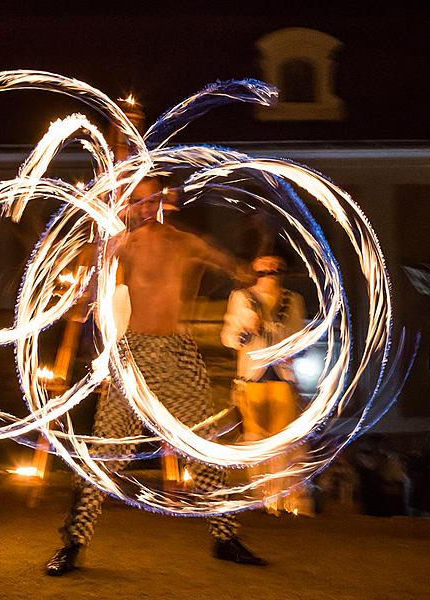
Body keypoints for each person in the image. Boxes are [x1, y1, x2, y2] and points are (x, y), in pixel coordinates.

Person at [45, 180, 266, 576]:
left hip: (179, 355)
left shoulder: (187, 243)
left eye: (152, 199)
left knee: (201, 447)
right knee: (106, 454)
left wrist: (256, 239)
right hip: (134, 355)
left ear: (165, 200)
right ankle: (73, 544)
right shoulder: (121, 245)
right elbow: (85, 285)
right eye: (137, 200)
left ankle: (226, 537)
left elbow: (237, 270)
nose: (146, 207)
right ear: (129, 204)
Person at [221, 254, 312, 516]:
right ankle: (260, 498)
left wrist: (286, 344)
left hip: (282, 379)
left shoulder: (292, 300)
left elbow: (299, 338)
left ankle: (283, 499)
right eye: (264, 271)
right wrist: (245, 332)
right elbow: (228, 337)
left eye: (275, 271)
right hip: (252, 378)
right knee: (255, 439)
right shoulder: (241, 298)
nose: (270, 276)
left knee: (282, 442)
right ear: (255, 272)